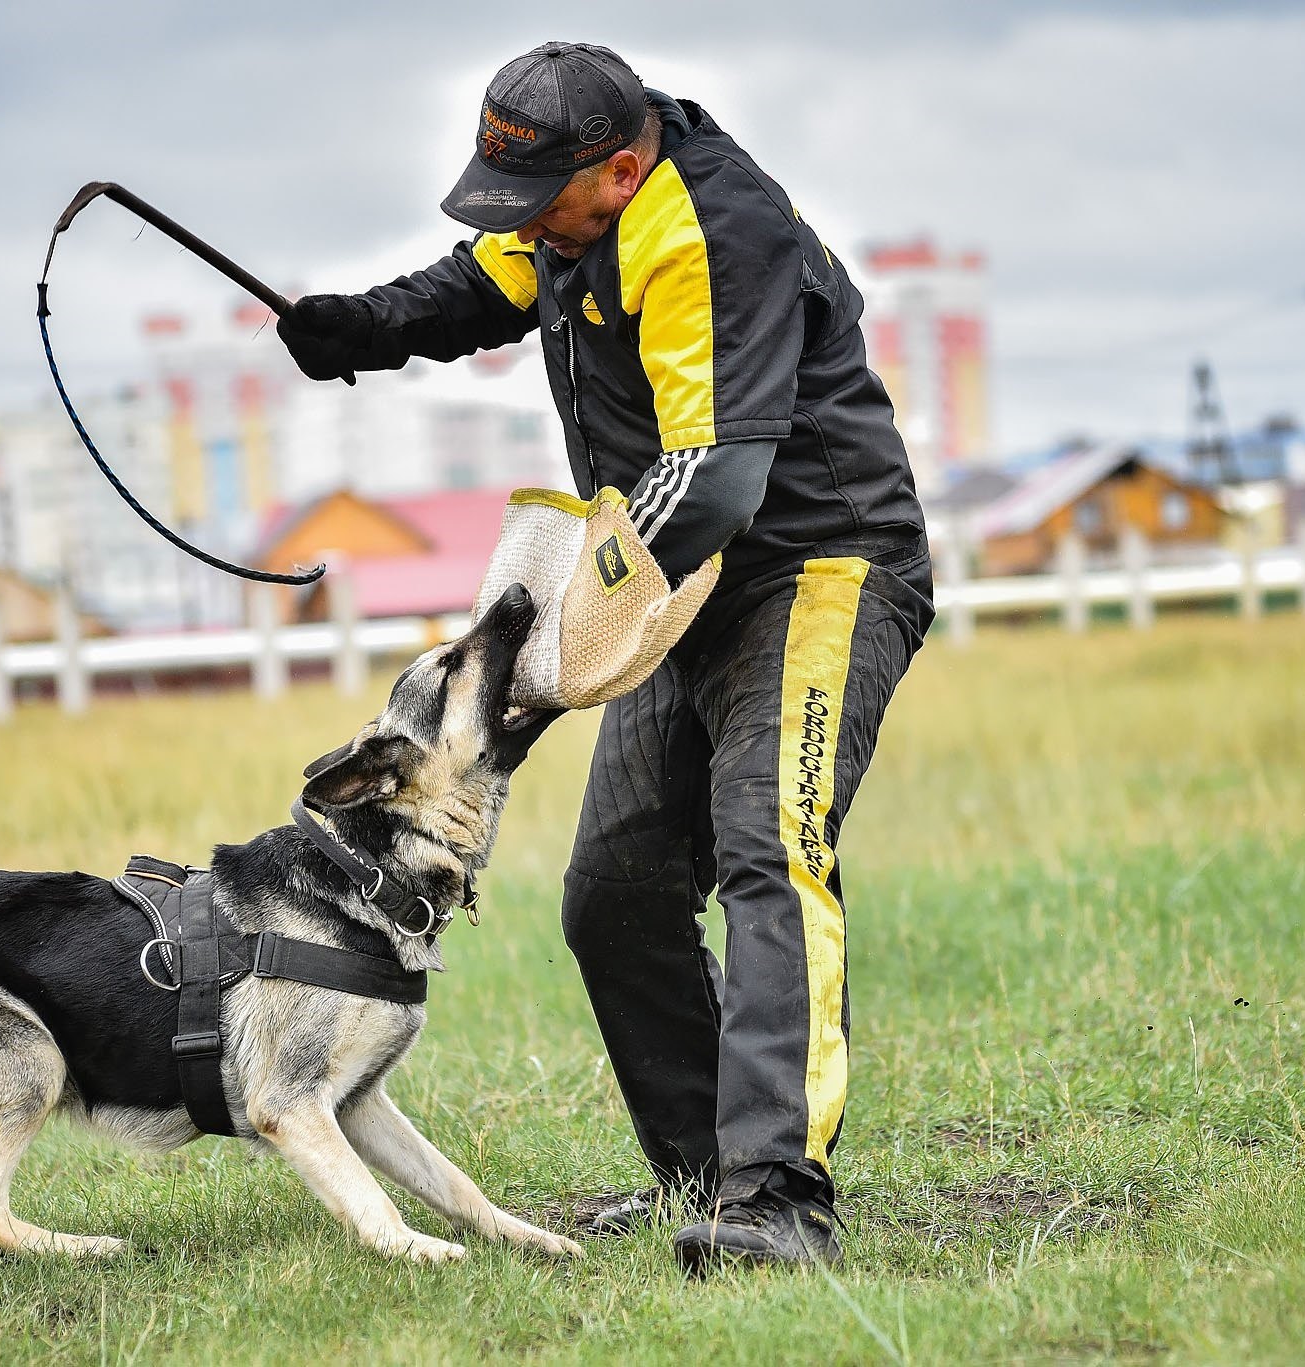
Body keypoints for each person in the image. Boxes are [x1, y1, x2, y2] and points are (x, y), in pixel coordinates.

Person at [277, 41, 934, 1272]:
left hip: (813, 569)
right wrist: (348, 328)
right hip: (674, 589)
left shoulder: (706, 230)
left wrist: (559, 639)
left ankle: (777, 1202)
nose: (524, 231)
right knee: (616, 894)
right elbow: (472, 287)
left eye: (540, 208)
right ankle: (704, 1178)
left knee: (766, 849)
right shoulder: (570, 214)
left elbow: (718, 472)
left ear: (622, 171)